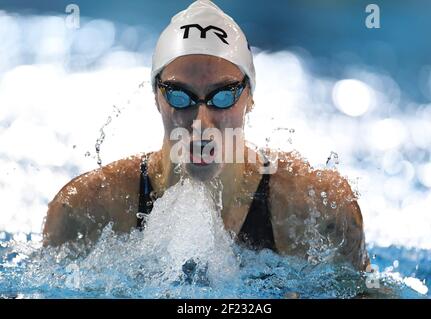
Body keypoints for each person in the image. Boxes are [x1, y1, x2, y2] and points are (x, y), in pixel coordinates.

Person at [43, 0, 369, 270]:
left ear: (249, 97)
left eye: (222, 97)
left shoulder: (314, 211)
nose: (201, 122)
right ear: (156, 96)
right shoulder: (88, 211)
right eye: (180, 96)